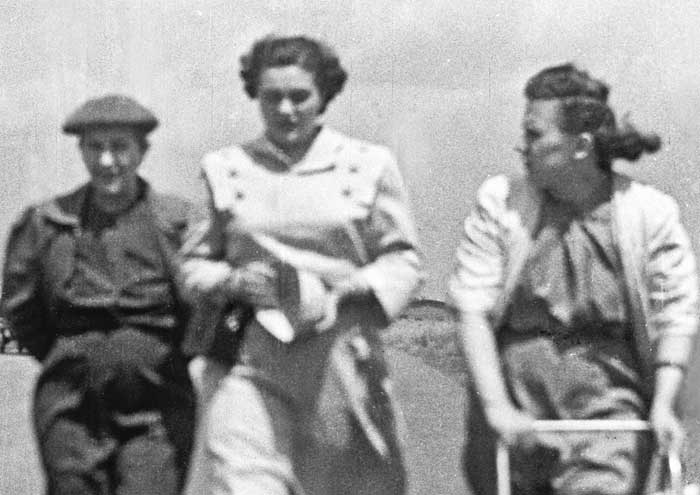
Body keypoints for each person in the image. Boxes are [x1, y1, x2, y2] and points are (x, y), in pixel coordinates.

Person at [180, 35, 422, 495]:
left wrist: (353, 286)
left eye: (299, 96)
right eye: (272, 97)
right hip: (250, 360)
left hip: (340, 361)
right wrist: (232, 280)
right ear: (255, 96)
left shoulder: (368, 164)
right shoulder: (224, 168)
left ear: (324, 95)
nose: (286, 110)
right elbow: (193, 265)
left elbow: (403, 260)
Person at [448, 63, 698, 495]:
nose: (523, 147)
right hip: (516, 415)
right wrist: (497, 407)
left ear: (581, 146)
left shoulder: (649, 213)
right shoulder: (502, 204)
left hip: (605, 415)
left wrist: (663, 404)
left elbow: (675, 315)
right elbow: (472, 309)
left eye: (535, 135)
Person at [1, 95, 197, 495]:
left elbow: (203, 310)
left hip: (157, 397)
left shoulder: (179, 224)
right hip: (71, 399)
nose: (107, 161)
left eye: (120, 147)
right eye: (95, 147)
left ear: (142, 152)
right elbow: (19, 308)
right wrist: (73, 354)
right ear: (82, 151)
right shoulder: (46, 224)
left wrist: (151, 354)